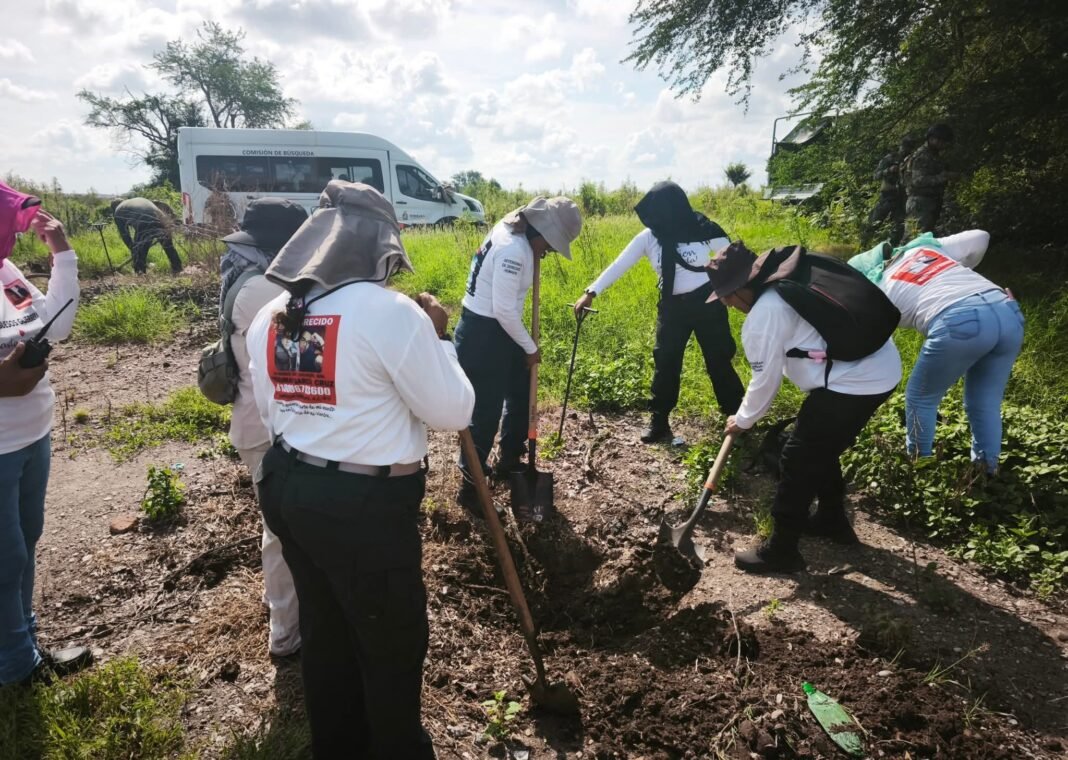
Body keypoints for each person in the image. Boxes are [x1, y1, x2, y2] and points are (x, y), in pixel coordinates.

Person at [247, 180, 474, 759]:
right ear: (377, 244)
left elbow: (275, 410)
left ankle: (338, 745)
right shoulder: (390, 313)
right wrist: (441, 339)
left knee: (325, 627)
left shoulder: (269, 314)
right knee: (391, 642)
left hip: (288, 484)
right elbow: (452, 411)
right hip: (361, 508)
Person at [706, 241, 902, 574]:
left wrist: (742, 421)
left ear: (740, 289)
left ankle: (782, 550)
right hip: (876, 368)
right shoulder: (787, 277)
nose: (727, 304)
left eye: (726, 296)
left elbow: (764, 383)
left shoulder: (764, 315)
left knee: (797, 455)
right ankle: (831, 520)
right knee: (818, 445)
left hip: (856, 382)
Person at [0, 181, 91, 685]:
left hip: (33, 433)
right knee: (5, 555)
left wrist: (63, 255)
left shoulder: (6, 271)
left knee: (27, 539)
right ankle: (15, 667)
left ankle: (25, 640)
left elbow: (56, 325)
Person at [573, 181, 744, 443]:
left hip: (709, 302)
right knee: (666, 363)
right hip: (673, 306)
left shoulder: (703, 228)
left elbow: (733, 257)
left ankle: (737, 417)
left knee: (718, 359)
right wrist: (591, 292)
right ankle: (659, 421)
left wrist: (730, 292)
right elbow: (620, 264)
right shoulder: (650, 236)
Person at [849, 230, 1023, 473]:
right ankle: (986, 470)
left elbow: (869, 342)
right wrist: (962, 272)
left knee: (921, 398)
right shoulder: (924, 250)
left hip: (959, 320)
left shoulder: (875, 289)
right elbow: (981, 236)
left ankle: (921, 467)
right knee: (985, 402)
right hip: (1007, 309)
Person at [218, 197, 309, 658]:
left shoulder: (243, 273)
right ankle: (286, 632)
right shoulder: (261, 291)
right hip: (263, 426)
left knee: (279, 526)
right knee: (280, 530)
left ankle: (283, 605)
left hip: (256, 420)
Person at [454, 196, 582, 513]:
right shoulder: (514, 249)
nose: (547, 254)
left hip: (498, 330)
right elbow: (503, 310)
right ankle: (470, 490)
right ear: (542, 233)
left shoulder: (517, 231)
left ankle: (509, 459)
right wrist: (531, 347)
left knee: (521, 388)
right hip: (484, 335)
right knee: (485, 413)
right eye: (549, 247)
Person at [863, 136, 916, 247]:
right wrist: (889, 170)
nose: (906, 150)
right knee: (875, 221)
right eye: (905, 147)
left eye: (909, 148)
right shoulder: (890, 158)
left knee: (899, 225)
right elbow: (876, 175)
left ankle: (892, 247)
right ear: (900, 146)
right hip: (888, 195)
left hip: (902, 197)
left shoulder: (912, 160)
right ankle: (864, 243)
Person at [904, 124, 956, 236]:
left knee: (925, 238)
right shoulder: (922, 156)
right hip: (920, 203)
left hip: (930, 202)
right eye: (942, 141)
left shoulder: (934, 155)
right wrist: (943, 177)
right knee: (913, 238)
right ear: (932, 139)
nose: (944, 145)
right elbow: (918, 180)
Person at [112, 197, 183, 274]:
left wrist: (133, 249)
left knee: (139, 252)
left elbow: (125, 235)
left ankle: (141, 274)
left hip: (144, 221)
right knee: (168, 246)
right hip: (161, 218)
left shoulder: (118, 210)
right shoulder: (136, 200)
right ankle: (178, 268)